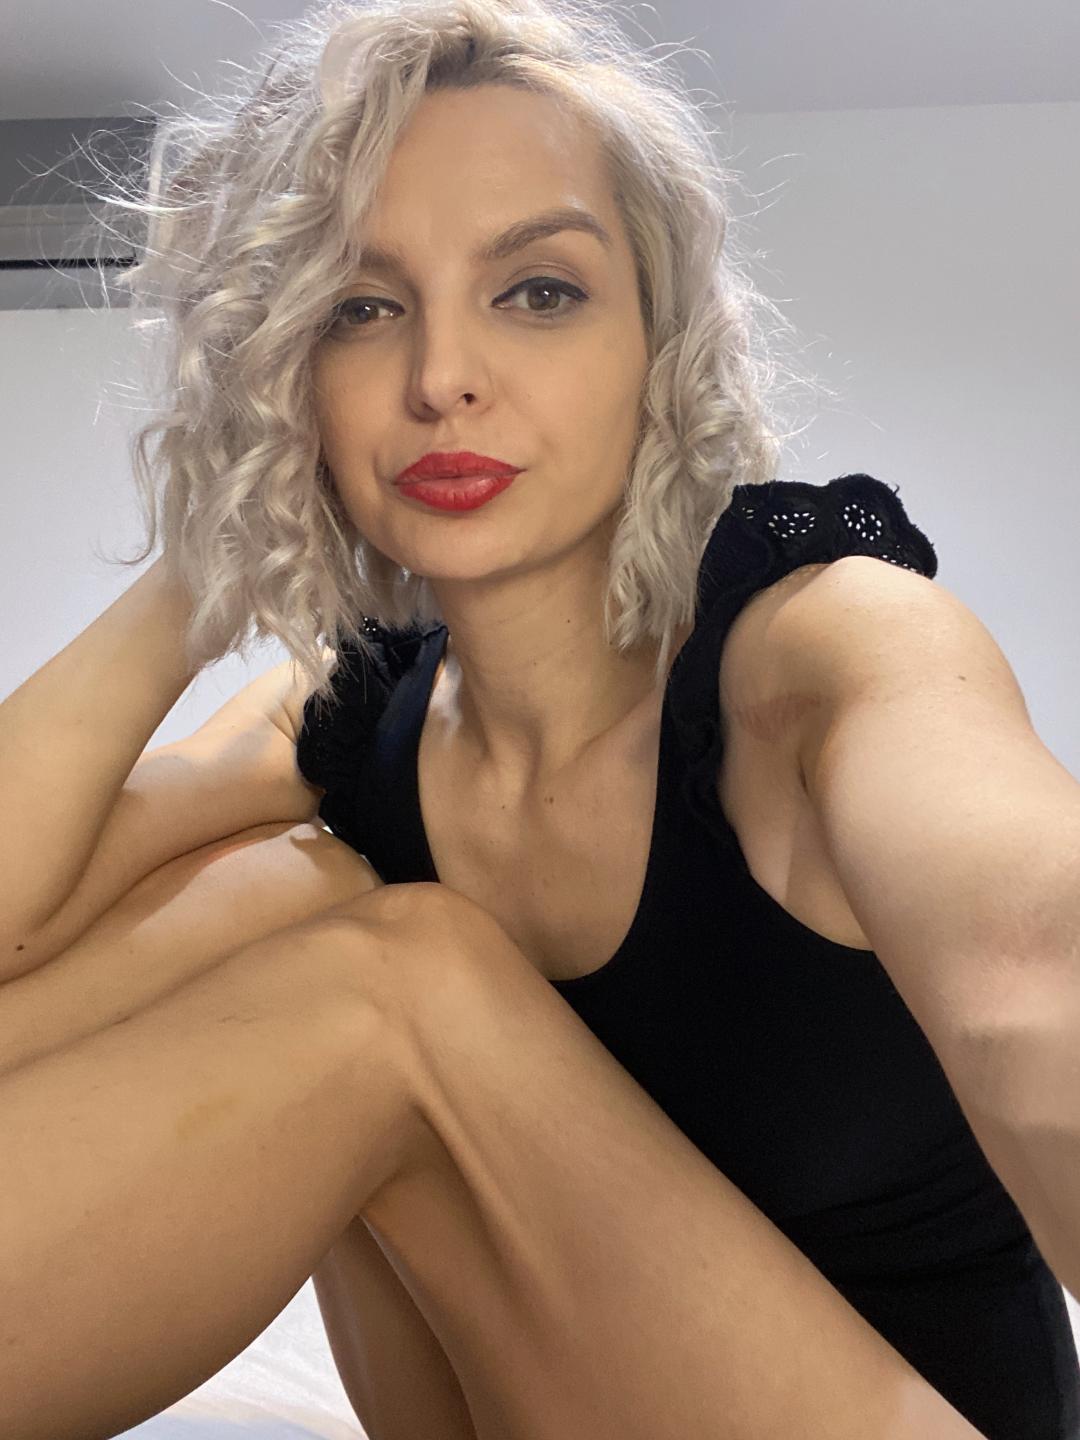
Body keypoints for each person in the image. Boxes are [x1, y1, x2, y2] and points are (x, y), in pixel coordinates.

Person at [1, 1, 1077, 1437]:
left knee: (404, 979)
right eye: (359, 307)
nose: (440, 375)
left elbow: (1032, 970)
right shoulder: (362, 720)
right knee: (291, 895)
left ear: (658, 347)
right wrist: (212, 550)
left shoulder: (815, 650)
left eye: (539, 291)